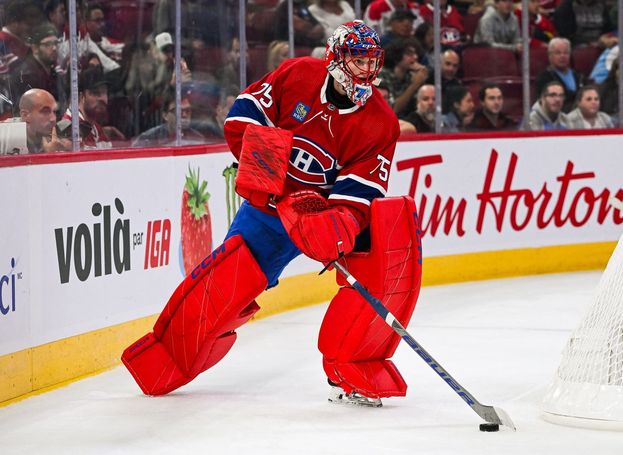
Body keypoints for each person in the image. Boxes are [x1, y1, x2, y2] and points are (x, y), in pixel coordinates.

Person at [121, 21, 421, 408]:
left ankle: (357, 363)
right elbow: (244, 116)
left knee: (388, 260)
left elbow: (361, 192)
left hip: (322, 213)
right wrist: (268, 179)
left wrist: (336, 226)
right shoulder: (298, 74)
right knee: (224, 286)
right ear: (333, 57)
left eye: (370, 61)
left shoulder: (381, 122)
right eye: (355, 59)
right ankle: (167, 359)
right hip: (269, 211)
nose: (364, 70)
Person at [60, 67, 116, 149]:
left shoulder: (95, 127)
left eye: (104, 92)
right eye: (95, 93)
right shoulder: (66, 125)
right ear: (81, 96)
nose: (102, 98)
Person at [132, 91, 204, 147]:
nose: (184, 115)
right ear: (165, 115)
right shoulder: (148, 139)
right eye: (178, 111)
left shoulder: (197, 138)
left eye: (188, 111)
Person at [535, 37, 585, 112]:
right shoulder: (544, 78)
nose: (562, 56)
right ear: (550, 56)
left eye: (566, 53)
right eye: (558, 53)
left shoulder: (579, 75)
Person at [18, 88, 71, 153]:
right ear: (25, 115)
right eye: (45, 111)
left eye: (54, 111)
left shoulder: (53, 137)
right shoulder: (6, 139)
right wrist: (48, 155)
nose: (53, 119)